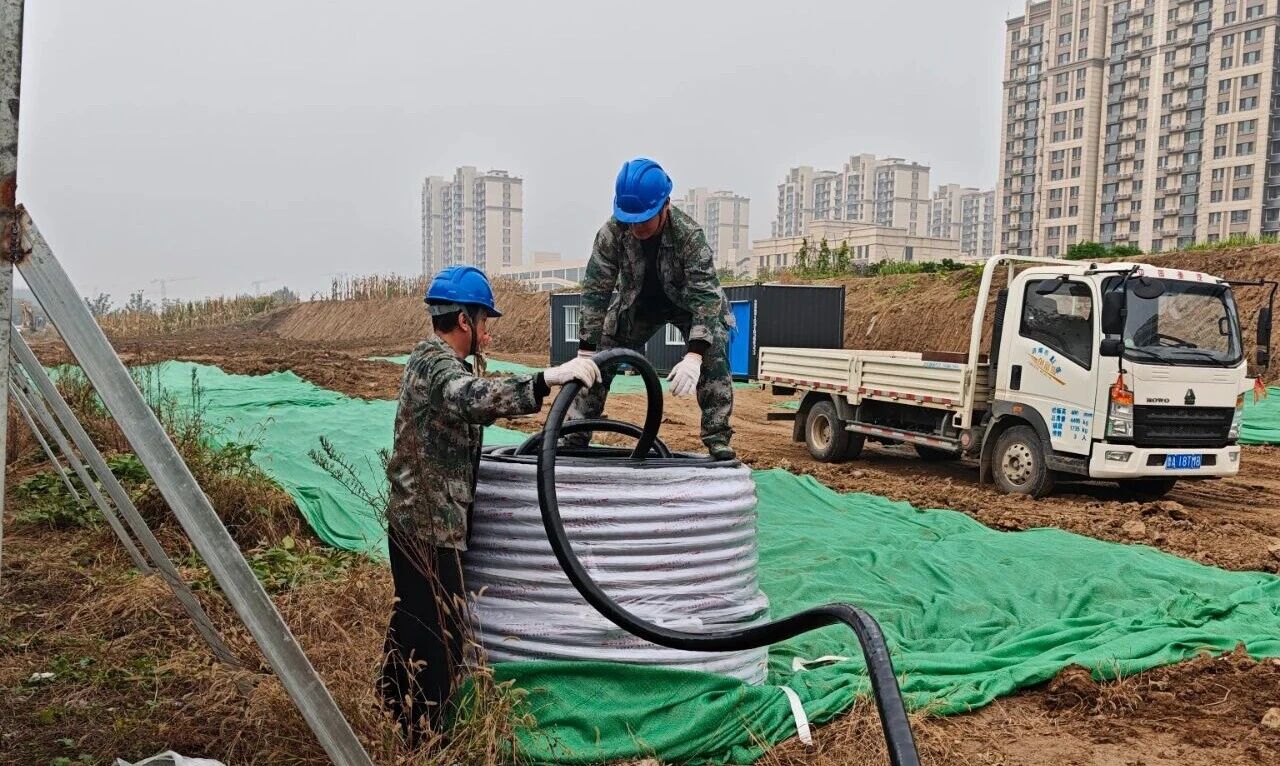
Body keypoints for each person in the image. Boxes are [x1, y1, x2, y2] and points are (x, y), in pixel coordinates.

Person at [380, 265, 600, 744]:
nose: (488, 331)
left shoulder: (438, 362)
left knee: (414, 620)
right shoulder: (436, 365)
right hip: (426, 526)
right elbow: (470, 397)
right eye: (484, 321)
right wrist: (545, 380)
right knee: (440, 635)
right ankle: (426, 738)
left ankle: (391, 711)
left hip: (421, 522)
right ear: (464, 320)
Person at [567, 157, 737, 459]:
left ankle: (717, 437)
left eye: (644, 218)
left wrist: (694, 355)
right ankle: (574, 434)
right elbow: (596, 291)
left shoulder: (689, 235)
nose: (636, 226)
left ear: (665, 205)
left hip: (689, 306)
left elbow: (706, 297)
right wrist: (586, 352)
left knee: (714, 346)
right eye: (630, 218)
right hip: (639, 305)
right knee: (600, 355)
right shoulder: (612, 233)